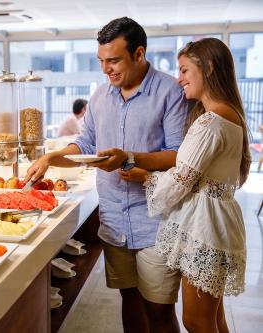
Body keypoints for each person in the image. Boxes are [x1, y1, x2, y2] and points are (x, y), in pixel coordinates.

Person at [26, 17, 189, 333]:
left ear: (139, 54)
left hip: (156, 220)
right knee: (129, 299)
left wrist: (129, 158)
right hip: (114, 219)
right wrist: (52, 157)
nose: (106, 69)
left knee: (158, 310)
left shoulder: (169, 91)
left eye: (114, 60)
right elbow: (85, 144)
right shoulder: (100, 96)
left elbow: (180, 154)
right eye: (102, 61)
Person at [122, 38, 249, 333]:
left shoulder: (210, 123)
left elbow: (181, 179)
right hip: (220, 223)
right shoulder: (231, 116)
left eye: (184, 70)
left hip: (204, 227)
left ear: (208, 68)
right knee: (214, 320)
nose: (179, 79)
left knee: (197, 320)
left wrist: (145, 177)